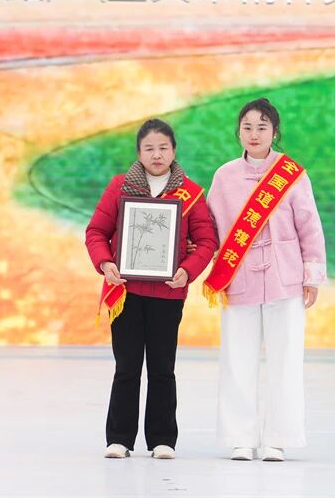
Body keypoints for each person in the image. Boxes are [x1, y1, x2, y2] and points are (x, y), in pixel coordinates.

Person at [85, 118, 218, 460]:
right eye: (149, 148)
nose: (156, 155)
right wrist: (105, 263)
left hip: (168, 295)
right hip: (126, 293)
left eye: (163, 148)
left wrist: (188, 271)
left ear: (174, 151)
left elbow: (206, 241)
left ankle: (162, 440)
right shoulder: (119, 187)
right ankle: (119, 439)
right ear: (139, 152)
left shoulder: (191, 193)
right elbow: (96, 232)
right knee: (126, 368)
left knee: (162, 369)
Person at [203, 98, 327, 462]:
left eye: (262, 127)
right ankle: (240, 438)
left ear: (275, 132)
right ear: (238, 132)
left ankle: (278, 437)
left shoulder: (292, 174)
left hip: (284, 277)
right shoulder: (224, 176)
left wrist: (312, 274)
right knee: (236, 359)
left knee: (285, 360)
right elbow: (210, 227)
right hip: (238, 278)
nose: (254, 134)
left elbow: (309, 225)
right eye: (247, 127)